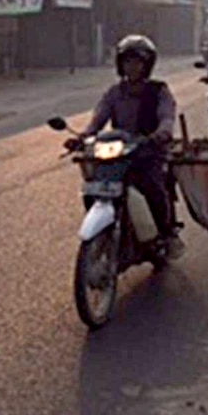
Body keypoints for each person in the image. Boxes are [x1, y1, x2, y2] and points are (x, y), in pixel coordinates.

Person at [73, 34, 184, 259]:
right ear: (120, 64)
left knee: (153, 187)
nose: (132, 67)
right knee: (93, 185)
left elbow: (167, 116)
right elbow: (98, 119)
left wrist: (161, 133)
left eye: (137, 62)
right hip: (119, 152)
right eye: (127, 61)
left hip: (148, 151)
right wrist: (82, 137)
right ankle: (108, 229)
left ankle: (166, 233)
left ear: (147, 65)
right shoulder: (114, 93)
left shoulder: (158, 91)